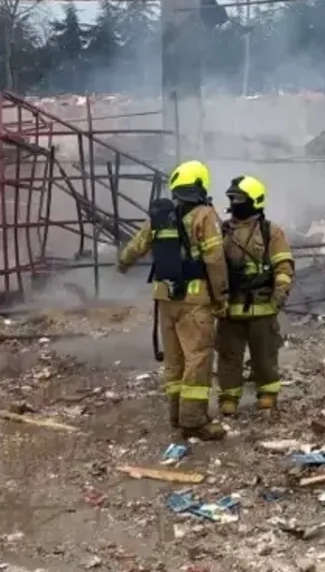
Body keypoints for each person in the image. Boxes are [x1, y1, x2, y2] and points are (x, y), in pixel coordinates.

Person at [117, 160, 230, 440]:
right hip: (195, 301)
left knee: (175, 360)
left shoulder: (161, 216)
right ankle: (194, 422)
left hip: (165, 298)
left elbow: (135, 247)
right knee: (198, 357)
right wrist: (222, 296)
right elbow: (215, 259)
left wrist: (122, 264)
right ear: (201, 185)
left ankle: (176, 415)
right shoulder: (205, 215)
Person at [215, 175, 295, 415]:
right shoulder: (222, 232)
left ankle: (267, 394)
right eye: (232, 199)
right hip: (230, 308)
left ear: (254, 201)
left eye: (239, 199)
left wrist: (281, 292)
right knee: (229, 356)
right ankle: (229, 398)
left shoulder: (271, 232)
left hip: (263, 306)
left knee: (265, 356)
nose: (234, 204)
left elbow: (283, 266)